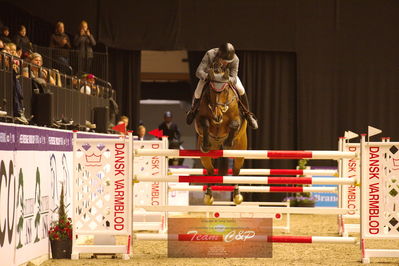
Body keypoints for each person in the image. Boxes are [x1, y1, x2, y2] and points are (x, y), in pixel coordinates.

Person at [186, 42, 258, 129]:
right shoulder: (210, 54)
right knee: (198, 92)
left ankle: (248, 114)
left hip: (225, 79)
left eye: (227, 61)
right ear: (219, 55)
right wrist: (207, 76)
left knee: (241, 89)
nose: (225, 63)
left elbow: (234, 77)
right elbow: (199, 71)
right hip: (210, 77)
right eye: (223, 60)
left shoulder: (235, 59)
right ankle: (192, 111)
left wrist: (226, 80)